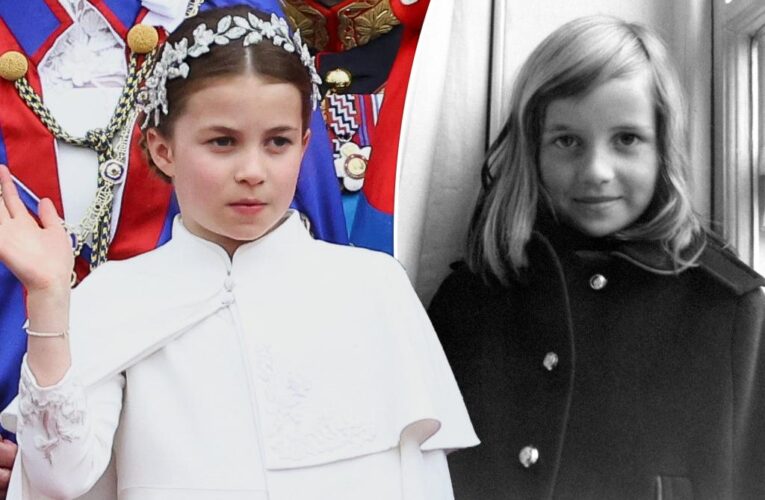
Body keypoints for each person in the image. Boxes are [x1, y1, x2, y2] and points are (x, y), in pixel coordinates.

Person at [0, 6, 478, 499]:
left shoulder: (376, 287)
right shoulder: (111, 297)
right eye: (223, 142)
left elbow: (421, 483)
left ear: (305, 143)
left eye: (278, 142)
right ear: (163, 149)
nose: (253, 170)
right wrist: (49, 297)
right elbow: (58, 481)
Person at [428, 15, 765, 499]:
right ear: (533, 151)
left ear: (663, 147)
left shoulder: (728, 309)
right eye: (567, 141)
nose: (597, 171)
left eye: (626, 139)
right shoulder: (469, 302)